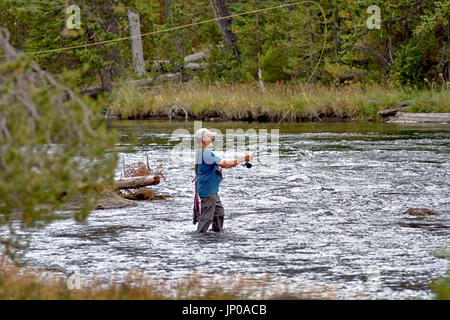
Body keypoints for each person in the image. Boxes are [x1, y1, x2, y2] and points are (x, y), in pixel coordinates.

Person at [194, 128, 255, 234]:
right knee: (206, 218)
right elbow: (225, 164)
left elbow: (224, 163)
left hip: (211, 191)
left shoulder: (203, 152)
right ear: (203, 139)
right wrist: (244, 158)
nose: (212, 138)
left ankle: (217, 235)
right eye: (209, 136)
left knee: (219, 213)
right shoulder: (206, 154)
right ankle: (200, 238)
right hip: (208, 192)